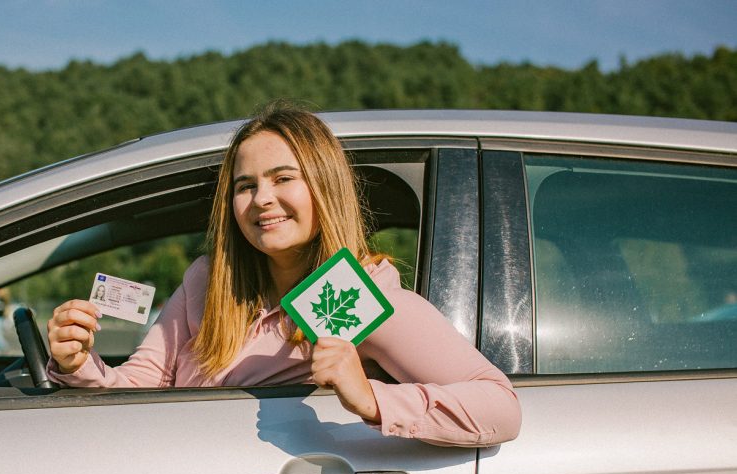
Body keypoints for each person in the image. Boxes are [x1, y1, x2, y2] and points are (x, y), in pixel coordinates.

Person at [46, 103, 521, 447]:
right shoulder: (207, 282)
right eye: (245, 186)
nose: (262, 199)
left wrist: (372, 399)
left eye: (283, 178)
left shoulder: (362, 298)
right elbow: (139, 390)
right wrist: (78, 364)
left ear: (323, 185)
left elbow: (501, 409)